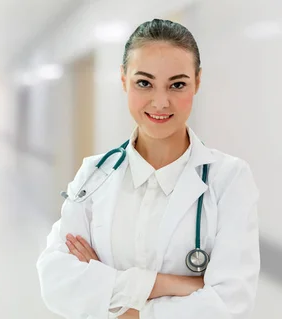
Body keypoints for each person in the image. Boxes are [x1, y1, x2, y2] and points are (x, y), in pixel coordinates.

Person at [36, 19, 260, 319]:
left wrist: (112, 296)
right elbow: (56, 280)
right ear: (123, 79)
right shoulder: (94, 173)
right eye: (144, 83)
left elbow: (230, 304)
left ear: (198, 81)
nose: (160, 101)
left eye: (177, 84)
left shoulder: (229, 179)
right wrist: (167, 284)